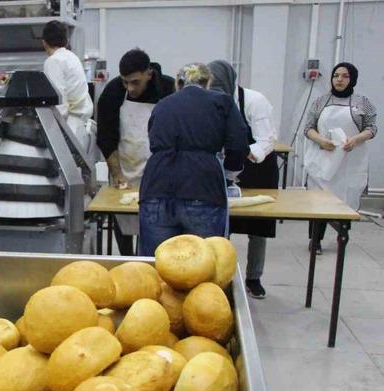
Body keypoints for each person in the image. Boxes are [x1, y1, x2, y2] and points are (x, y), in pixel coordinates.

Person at [138, 63, 250, 256]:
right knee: (203, 264)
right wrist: (229, 173)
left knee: (155, 264)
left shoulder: (162, 104)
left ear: (178, 83)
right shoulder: (222, 102)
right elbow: (239, 144)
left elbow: (153, 142)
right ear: (208, 83)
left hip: (156, 190)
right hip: (203, 189)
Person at [209, 60, 279, 299]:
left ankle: (254, 277)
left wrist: (245, 150)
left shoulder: (254, 101)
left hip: (258, 167)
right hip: (227, 166)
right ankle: (221, 275)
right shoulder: (211, 101)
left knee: (258, 225)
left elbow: (267, 139)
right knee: (222, 222)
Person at [96, 48, 175, 255]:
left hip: (158, 171)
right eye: (125, 82)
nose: (129, 88)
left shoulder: (168, 89)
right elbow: (106, 137)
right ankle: (127, 259)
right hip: (125, 166)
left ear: (149, 73)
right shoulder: (113, 92)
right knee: (123, 222)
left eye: (135, 82)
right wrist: (117, 174)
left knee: (153, 227)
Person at [304, 62, 377, 253]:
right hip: (323, 160)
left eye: (345, 76)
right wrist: (321, 141)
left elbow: (371, 128)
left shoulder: (363, 103)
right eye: (336, 75)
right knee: (319, 201)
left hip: (349, 162)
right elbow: (308, 128)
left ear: (352, 79)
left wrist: (356, 139)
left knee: (346, 199)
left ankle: (342, 235)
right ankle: (315, 240)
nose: (339, 80)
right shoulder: (320, 101)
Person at [40, 20, 94, 154]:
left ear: (44, 43)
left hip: (70, 130)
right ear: (66, 41)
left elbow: (59, 104)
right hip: (81, 127)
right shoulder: (72, 57)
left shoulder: (53, 61)